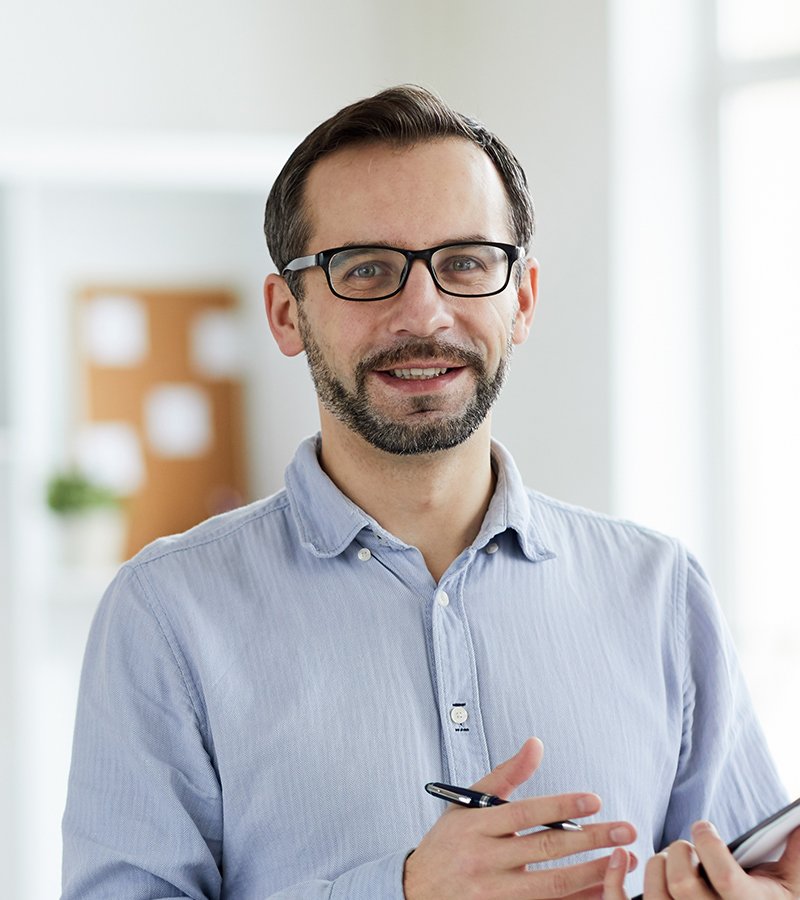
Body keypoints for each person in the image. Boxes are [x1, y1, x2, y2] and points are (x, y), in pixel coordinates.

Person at [61, 85, 800, 899]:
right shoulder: (166, 612)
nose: (424, 311)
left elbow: (759, 867)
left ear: (520, 300)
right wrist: (402, 891)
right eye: (366, 268)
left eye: (465, 263)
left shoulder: (659, 590)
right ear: (286, 313)